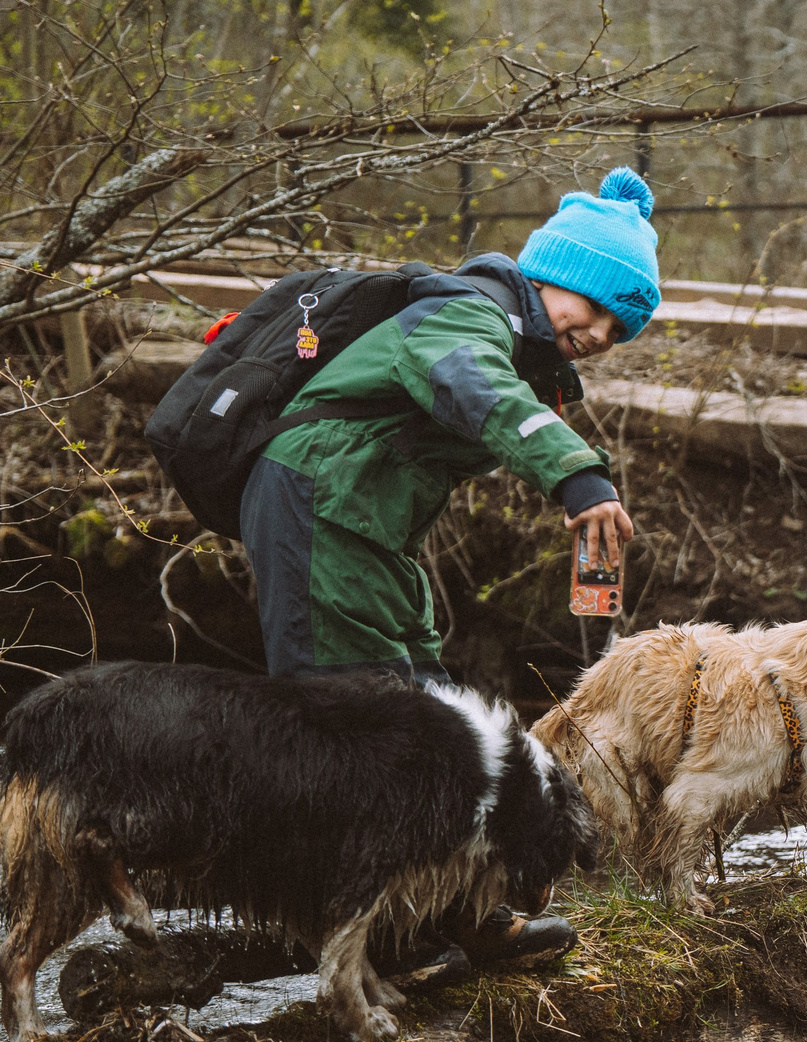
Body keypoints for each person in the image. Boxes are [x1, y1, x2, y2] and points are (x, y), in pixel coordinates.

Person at [239, 166, 662, 964]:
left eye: (621, 327)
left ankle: (454, 912)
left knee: (435, 718)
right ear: (552, 275)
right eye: (597, 306)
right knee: (357, 723)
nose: (604, 333)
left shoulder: (510, 340)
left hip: (372, 532)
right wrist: (576, 472)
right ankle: (377, 934)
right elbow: (472, 383)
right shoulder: (461, 316)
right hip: (315, 509)